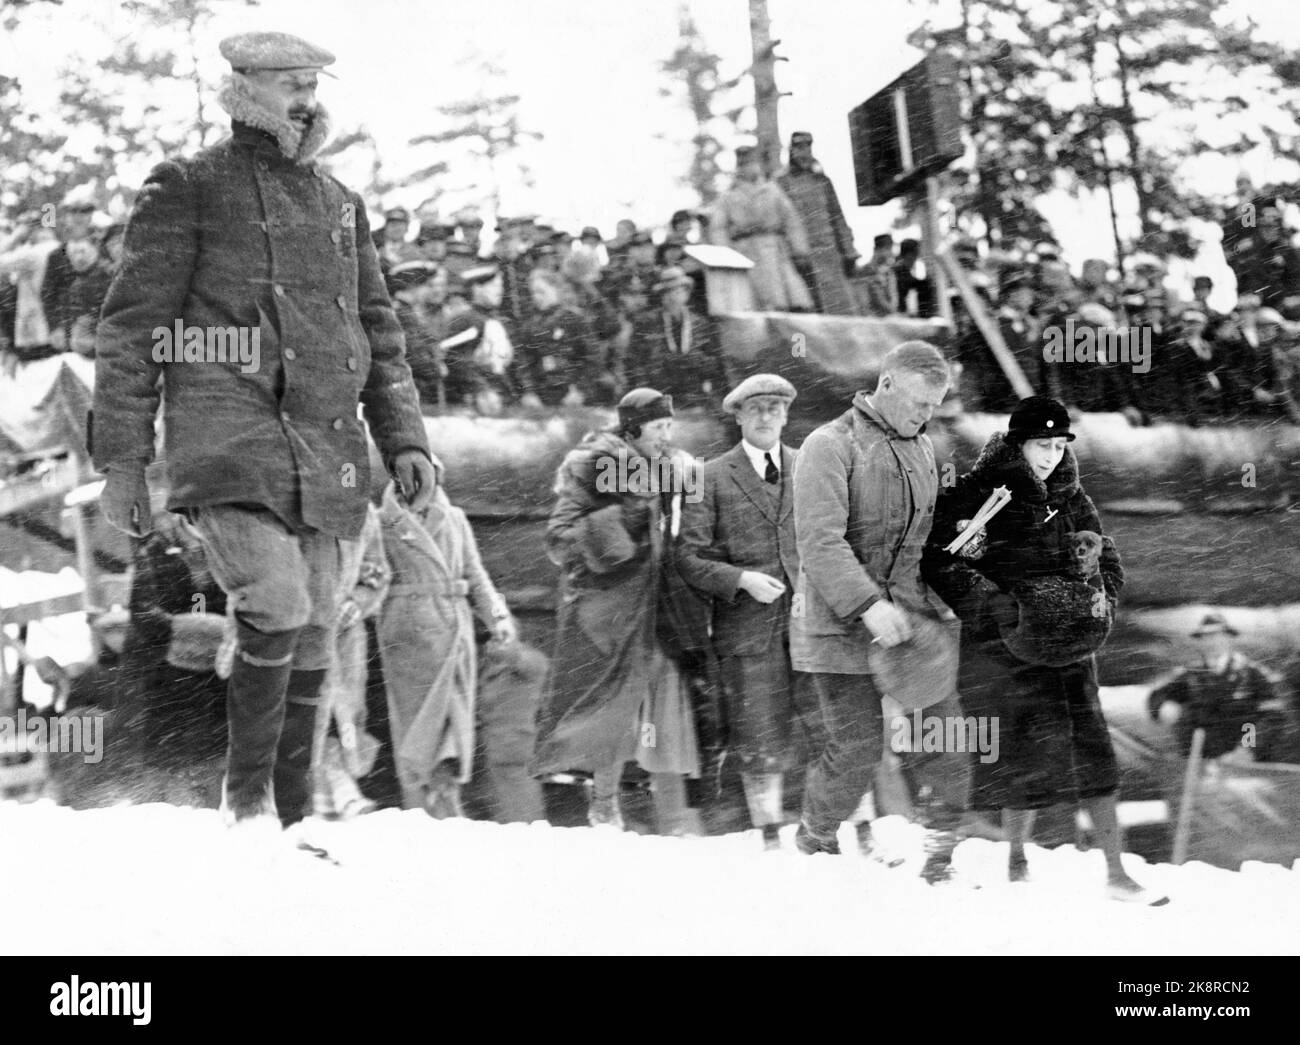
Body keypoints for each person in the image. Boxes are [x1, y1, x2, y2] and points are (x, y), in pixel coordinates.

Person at [91, 31, 439, 833]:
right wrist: (122, 460)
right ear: (244, 88)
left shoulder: (339, 204)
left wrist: (406, 440)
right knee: (275, 601)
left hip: (327, 450)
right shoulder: (187, 185)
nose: (304, 97)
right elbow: (132, 327)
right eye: (288, 83)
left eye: (311, 82)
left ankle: (290, 814)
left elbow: (380, 332)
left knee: (319, 618)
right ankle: (245, 804)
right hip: (228, 441)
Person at [922, 395, 1168, 904]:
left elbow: (1107, 553)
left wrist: (1102, 594)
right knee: (1012, 760)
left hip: (1070, 646)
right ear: (1017, 442)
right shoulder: (977, 494)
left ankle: (1117, 873)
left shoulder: (1071, 494)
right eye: (1042, 444)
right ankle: (1000, 859)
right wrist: (998, 608)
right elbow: (941, 562)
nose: (1052, 455)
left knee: (1093, 753)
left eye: (1059, 445)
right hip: (1001, 654)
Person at [789, 342, 959, 856]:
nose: (926, 416)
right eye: (918, 404)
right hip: (840, 627)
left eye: (935, 406)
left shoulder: (923, 448)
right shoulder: (829, 445)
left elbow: (920, 540)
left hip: (911, 624)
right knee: (857, 749)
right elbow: (820, 542)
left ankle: (941, 849)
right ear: (885, 386)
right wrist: (867, 605)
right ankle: (816, 835)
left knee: (945, 735)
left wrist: (950, 575)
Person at [531, 388, 703, 834]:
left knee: (668, 693)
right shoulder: (590, 465)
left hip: (660, 597)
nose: (667, 435)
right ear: (631, 428)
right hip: (609, 605)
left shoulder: (673, 465)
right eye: (659, 427)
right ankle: (605, 805)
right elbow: (559, 537)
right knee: (616, 701)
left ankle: (675, 816)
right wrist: (619, 524)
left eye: (670, 426)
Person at [678, 374, 812, 849]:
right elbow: (689, 558)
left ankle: (854, 832)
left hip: (814, 627)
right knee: (760, 740)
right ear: (736, 415)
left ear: (787, 414)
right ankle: (770, 838)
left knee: (836, 731)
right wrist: (740, 580)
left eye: (775, 407)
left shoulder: (813, 468)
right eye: (755, 409)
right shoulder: (708, 476)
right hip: (747, 631)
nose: (765, 417)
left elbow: (839, 540)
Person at [376, 482, 516, 816]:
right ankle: (421, 804)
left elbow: (476, 573)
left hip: (454, 624)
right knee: (416, 721)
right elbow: (372, 575)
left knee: (454, 714)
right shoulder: (381, 521)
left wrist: (498, 617)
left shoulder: (454, 518)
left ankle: (446, 794)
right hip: (406, 632)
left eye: (425, 475)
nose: (417, 484)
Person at [313, 502, 389, 820]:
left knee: (347, 715)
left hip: (346, 634)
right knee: (309, 712)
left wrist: (355, 603)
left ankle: (334, 793)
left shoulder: (363, 512)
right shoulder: (293, 498)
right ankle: (334, 793)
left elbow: (377, 569)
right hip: (302, 626)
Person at [1148, 613, 1295, 764]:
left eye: (1217, 636)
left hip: (1243, 765)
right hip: (1198, 762)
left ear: (1229, 638)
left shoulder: (1252, 674)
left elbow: (1272, 716)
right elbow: (1158, 695)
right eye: (1206, 637)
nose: (1212, 642)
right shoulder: (1192, 674)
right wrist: (1163, 707)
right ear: (1200, 642)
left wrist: (1248, 748)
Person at [710, 145, 813, 312]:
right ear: (738, 168)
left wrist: (799, 249)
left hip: (774, 250)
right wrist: (726, 254)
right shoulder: (729, 196)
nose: (749, 168)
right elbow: (718, 229)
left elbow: (791, 220)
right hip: (744, 252)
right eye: (744, 165)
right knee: (751, 303)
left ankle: (794, 336)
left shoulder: (773, 191)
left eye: (752, 163)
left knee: (787, 300)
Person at [776, 130, 860, 315]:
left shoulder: (822, 181)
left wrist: (849, 251)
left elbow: (837, 217)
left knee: (838, 309)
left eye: (807, 146)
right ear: (791, 150)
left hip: (828, 254)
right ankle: (801, 345)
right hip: (799, 257)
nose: (804, 151)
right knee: (805, 314)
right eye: (798, 147)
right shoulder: (781, 183)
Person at [624, 266, 725, 408]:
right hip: (656, 395)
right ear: (661, 296)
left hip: (694, 395)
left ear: (687, 293)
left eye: (679, 290)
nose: (673, 296)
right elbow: (632, 361)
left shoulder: (700, 323)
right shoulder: (646, 322)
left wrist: (698, 360)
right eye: (667, 292)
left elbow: (716, 362)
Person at [857, 234, 899, 317]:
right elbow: (874, 300)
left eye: (889, 248)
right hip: (872, 318)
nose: (890, 252)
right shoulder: (866, 270)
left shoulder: (888, 272)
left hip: (885, 317)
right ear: (876, 249)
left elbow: (893, 298)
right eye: (887, 248)